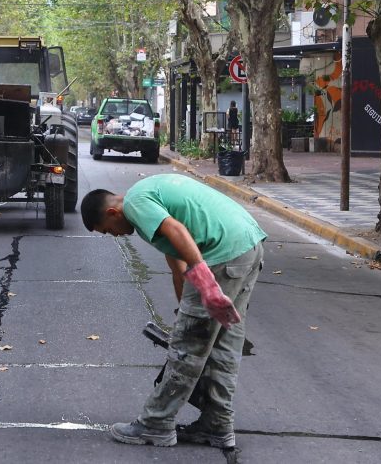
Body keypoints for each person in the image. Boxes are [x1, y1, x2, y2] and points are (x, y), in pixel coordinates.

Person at [80, 174, 266, 450]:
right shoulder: (148, 196)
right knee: (225, 343)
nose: (115, 236)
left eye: (108, 230)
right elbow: (177, 265)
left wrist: (205, 282)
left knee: (187, 349)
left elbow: (176, 230)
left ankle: (155, 424)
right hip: (248, 246)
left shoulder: (134, 204)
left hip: (222, 254)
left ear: (112, 212)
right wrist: (185, 314)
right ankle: (217, 425)